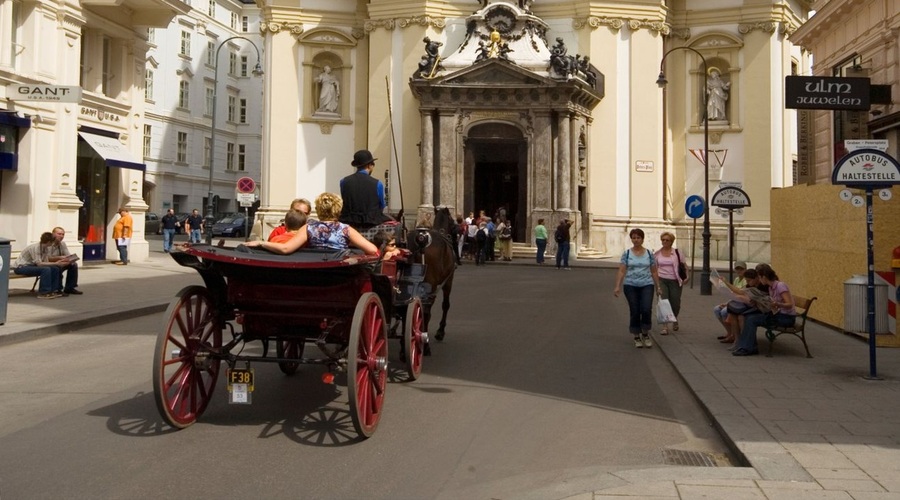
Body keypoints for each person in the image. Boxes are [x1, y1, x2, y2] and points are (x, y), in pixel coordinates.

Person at [245, 192, 377, 256]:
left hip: (315, 270)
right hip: (339, 272)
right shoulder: (346, 229)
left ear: (318, 210)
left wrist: (261, 243)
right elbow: (372, 250)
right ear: (338, 210)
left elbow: (286, 249)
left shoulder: (309, 228)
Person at [729, 264, 796, 356]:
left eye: (759, 278)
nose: (759, 281)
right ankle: (749, 346)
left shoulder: (780, 286)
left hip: (786, 318)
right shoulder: (770, 287)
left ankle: (747, 348)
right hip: (776, 314)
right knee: (748, 316)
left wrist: (777, 304)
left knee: (751, 319)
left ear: (764, 277)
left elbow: (789, 304)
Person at [613, 228, 661, 348]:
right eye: (634, 238)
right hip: (630, 285)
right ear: (631, 239)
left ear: (642, 239)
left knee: (646, 308)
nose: (636, 240)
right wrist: (617, 286)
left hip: (647, 284)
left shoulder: (649, 254)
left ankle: (645, 333)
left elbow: (654, 271)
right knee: (634, 310)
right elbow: (622, 270)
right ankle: (636, 335)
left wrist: (658, 286)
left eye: (638, 237)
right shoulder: (627, 254)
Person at [339, 150, 392, 230]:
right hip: (371, 222)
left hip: (349, 221)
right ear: (369, 165)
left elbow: (344, 200)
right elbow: (381, 205)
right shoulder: (378, 183)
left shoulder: (343, 181)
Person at [714, 268, 762, 346]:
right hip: (744, 303)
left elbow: (741, 292)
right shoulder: (746, 283)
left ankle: (741, 339)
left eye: (749, 280)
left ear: (756, 278)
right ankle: (735, 337)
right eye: (747, 280)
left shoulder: (761, 286)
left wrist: (726, 283)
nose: (748, 282)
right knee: (727, 310)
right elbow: (739, 292)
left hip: (752, 306)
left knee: (738, 315)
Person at [654, 232, 688, 334]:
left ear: (671, 242)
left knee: (675, 303)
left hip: (675, 281)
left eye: (667, 240)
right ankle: (665, 327)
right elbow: (654, 269)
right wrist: (657, 284)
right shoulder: (657, 254)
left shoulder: (677, 253)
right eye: (663, 240)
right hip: (662, 280)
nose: (664, 242)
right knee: (664, 302)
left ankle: (675, 319)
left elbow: (684, 266)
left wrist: (687, 276)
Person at [13, 232, 64, 299]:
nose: (52, 244)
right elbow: (39, 263)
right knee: (46, 269)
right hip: (21, 267)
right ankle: (43, 292)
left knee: (55, 268)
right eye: (52, 242)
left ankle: (54, 290)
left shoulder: (45, 247)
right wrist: (56, 263)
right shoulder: (35, 248)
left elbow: (45, 262)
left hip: (32, 266)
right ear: (49, 242)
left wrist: (56, 264)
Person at [47, 226, 82, 295]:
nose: (61, 236)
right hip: (49, 264)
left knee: (73, 265)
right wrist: (60, 258)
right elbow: (47, 258)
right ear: (53, 234)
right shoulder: (48, 244)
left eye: (63, 234)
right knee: (58, 267)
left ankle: (70, 287)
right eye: (59, 234)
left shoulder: (62, 244)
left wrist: (70, 259)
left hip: (59, 262)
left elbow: (67, 255)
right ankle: (58, 289)